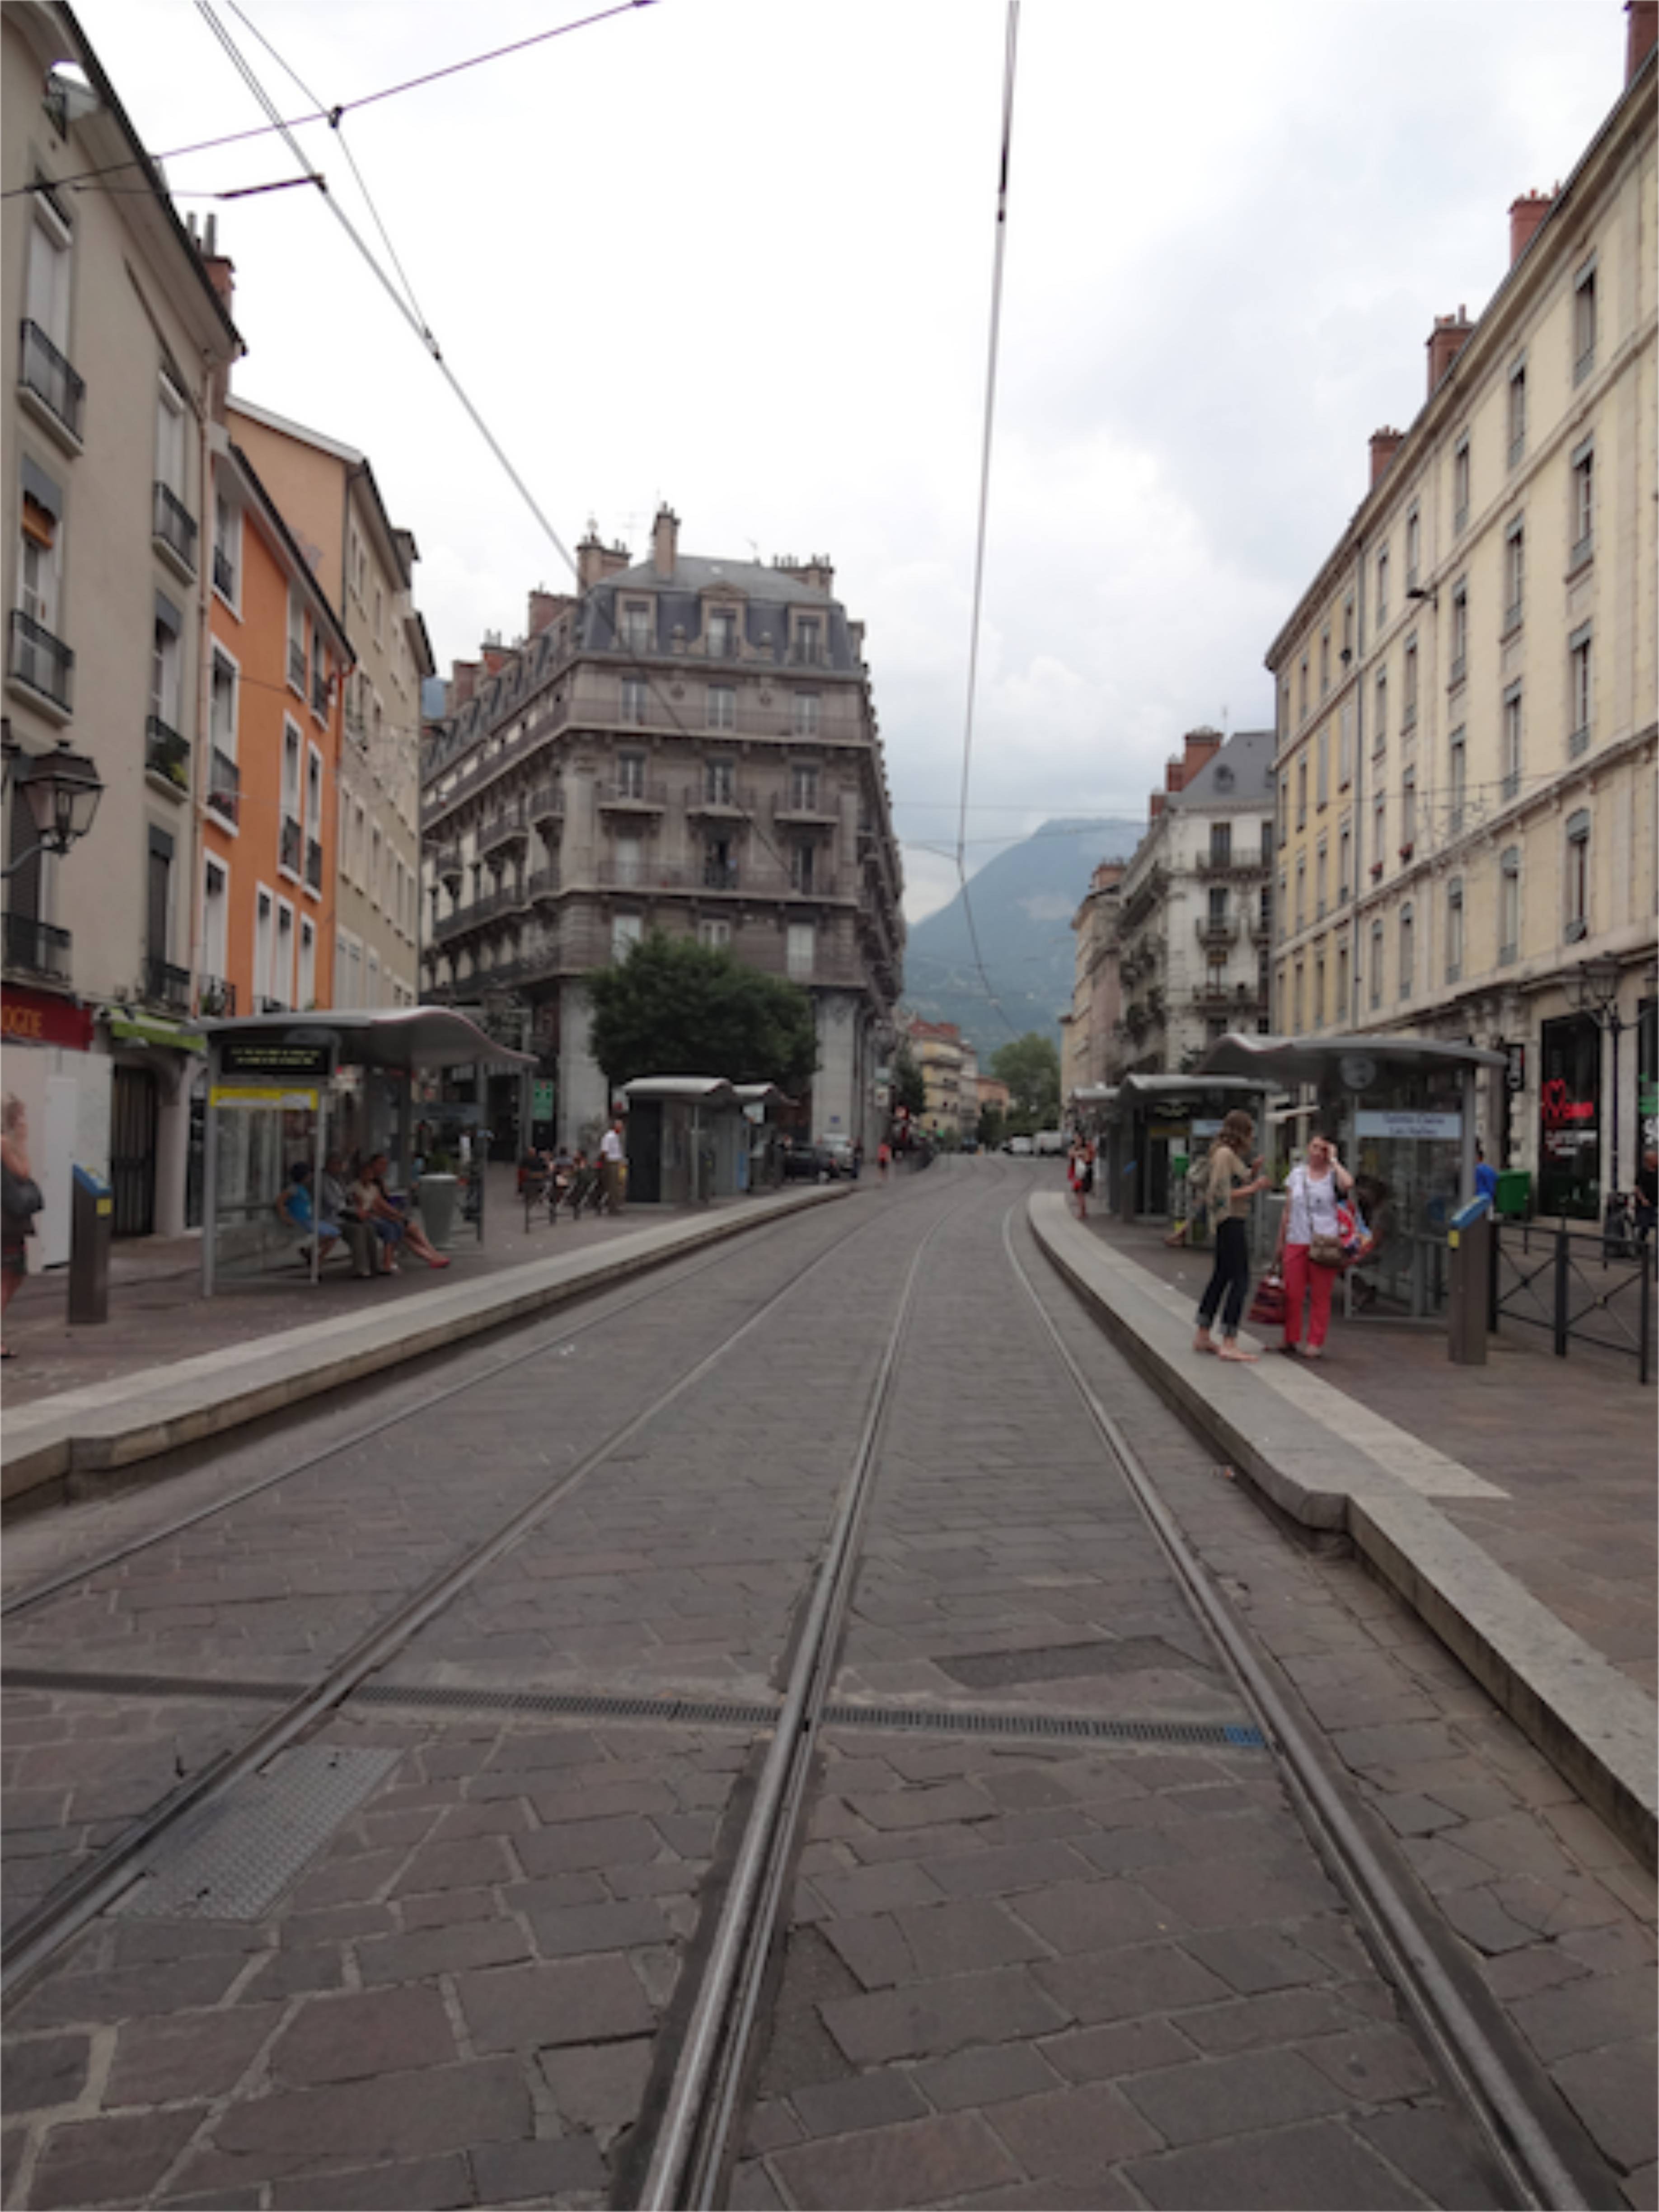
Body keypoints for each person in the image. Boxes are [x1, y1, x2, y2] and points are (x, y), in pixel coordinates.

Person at [1193, 1109, 1271, 1362]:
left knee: (1221, 1276)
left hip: (1227, 1221)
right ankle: (1229, 1340)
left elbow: (1236, 1181)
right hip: (1230, 1221)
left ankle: (1204, 1333)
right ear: (1243, 1133)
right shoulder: (1225, 1155)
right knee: (1241, 1279)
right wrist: (1255, 1187)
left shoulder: (1225, 1154)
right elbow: (1220, 1194)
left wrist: (1252, 1172)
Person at [1274, 1131, 1356, 1359]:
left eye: (1323, 1149)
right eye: (1314, 1147)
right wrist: (1280, 1241)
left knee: (1321, 1294)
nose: (1317, 1153)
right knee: (1293, 1293)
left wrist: (1335, 1162)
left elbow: (1348, 1184)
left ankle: (1315, 1341)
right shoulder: (1297, 1175)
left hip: (1324, 1242)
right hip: (1297, 1239)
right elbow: (1288, 1209)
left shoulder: (1332, 1177)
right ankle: (1290, 1338)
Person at [1, 1095, 41, 1359]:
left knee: (15, 1274)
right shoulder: (4, 1144)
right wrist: (22, 1144)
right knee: (7, 1277)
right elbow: (23, 1172)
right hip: (6, 1222)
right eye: (22, 1116)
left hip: (9, 1222)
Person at [599, 1115, 627, 1214]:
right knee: (613, 1186)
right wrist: (606, 1163)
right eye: (620, 1126)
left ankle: (616, 1206)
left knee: (619, 1185)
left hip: (617, 1162)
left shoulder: (616, 1137)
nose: (622, 1128)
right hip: (612, 1163)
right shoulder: (609, 1137)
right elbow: (605, 1151)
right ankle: (613, 1207)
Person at [1475, 1141, 1499, 1205]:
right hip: (1486, 1199)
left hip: (1478, 1199)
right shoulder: (1489, 1170)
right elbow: (1493, 1186)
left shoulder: (1478, 1170)